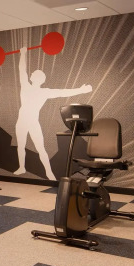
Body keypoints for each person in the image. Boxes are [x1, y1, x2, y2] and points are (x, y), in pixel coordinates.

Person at [15, 46, 92, 179]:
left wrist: (81, 90)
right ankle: (22, 167)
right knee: (21, 146)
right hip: (22, 121)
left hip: (32, 122)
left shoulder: (42, 91)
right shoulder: (28, 87)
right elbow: (22, 70)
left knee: (40, 148)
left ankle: (49, 173)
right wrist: (23, 54)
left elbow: (62, 92)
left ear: (37, 79)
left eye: (33, 74)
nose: (31, 74)